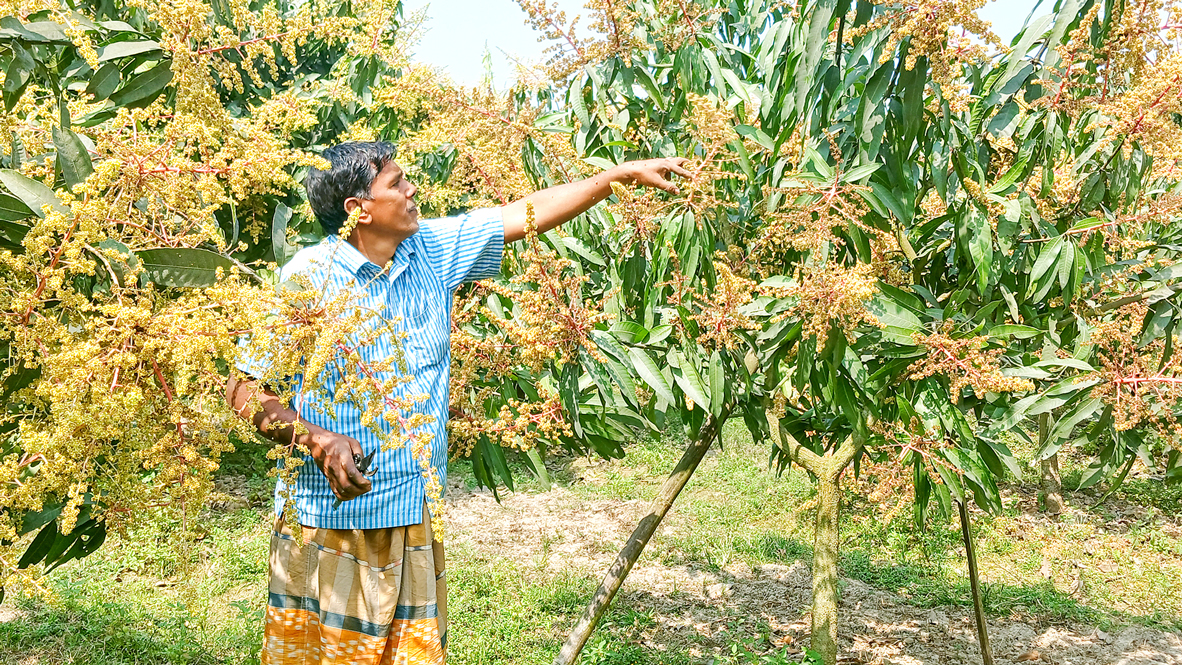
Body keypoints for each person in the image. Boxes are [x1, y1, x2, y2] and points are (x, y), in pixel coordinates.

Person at [226, 141, 689, 665]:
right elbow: (245, 390)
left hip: (414, 509)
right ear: (359, 209)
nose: (412, 190)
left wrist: (614, 177)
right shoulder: (307, 280)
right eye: (396, 183)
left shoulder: (430, 249)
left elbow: (523, 213)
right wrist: (316, 440)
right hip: (333, 522)